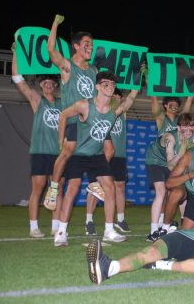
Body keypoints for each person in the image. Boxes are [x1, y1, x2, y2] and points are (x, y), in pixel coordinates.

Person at [53, 71, 138, 246]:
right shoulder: (84, 105)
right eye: (105, 84)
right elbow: (63, 115)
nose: (109, 87)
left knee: (110, 187)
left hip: (97, 155)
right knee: (72, 189)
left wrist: (139, 78)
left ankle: (109, 230)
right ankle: (61, 232)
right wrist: (60, 141)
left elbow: (129, 100)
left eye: (112, 85)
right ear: (97, 86)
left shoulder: (115, 111)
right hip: (79, 154)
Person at [44, 14, 99, 211]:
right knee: (68, 151)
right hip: (74, 120)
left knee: (107, 148)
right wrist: (55, 24)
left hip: (90, 123)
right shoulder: (68, 67)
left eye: (92, 44)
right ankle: (53, 187)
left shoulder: (93, 70)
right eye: (86, 43)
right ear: (76, 46)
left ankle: (95, 181)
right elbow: (51, 50)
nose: (90, 47)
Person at [11, 43, 64, 238]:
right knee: (38, 188)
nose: (49, 85)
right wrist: (16, 53)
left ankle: (56, 227)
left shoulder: (62, 103)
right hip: (40, 151)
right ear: (41, 86)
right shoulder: (36, 100)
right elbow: (18, 79)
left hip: (59, 153)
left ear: (56, 86)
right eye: (45, 83)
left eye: (52, 83)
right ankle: (33, 227)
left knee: (57, 190)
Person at [84, 87, 138, 235]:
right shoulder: (102, 112)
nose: (116, 99)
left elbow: (131, 99)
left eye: (118, 97)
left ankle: (120, 220)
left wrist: (136, 86)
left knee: (119, 186)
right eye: (113, 96)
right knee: (97, 188)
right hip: (102, 154)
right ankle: (89, 221)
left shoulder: (122, 113)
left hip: (119, 155)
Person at [145, 113, 194, 241]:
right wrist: (181, 151)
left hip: (174, 163)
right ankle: (153, 231)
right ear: (178, 128)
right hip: (156, 161)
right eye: (185, 127)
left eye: (191, 127)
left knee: (182, 191)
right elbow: (170, 166)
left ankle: (180, 224)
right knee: (161, 192)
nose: (188, 131)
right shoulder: (170, 138)